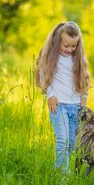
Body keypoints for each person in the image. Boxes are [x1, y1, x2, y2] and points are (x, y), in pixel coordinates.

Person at [35, 21, 90, 173]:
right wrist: (50, 94)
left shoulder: (77, 58)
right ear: (57, 40)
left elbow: (84, 80)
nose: (69, 49)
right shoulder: (52, 57)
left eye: (73, 46)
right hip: (58, 105)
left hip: (75, 107)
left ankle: (61, 170)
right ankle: (61, 176)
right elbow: (44, 74)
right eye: (66, 45)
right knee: (62, 141)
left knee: (72, 143)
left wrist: (83, 101)